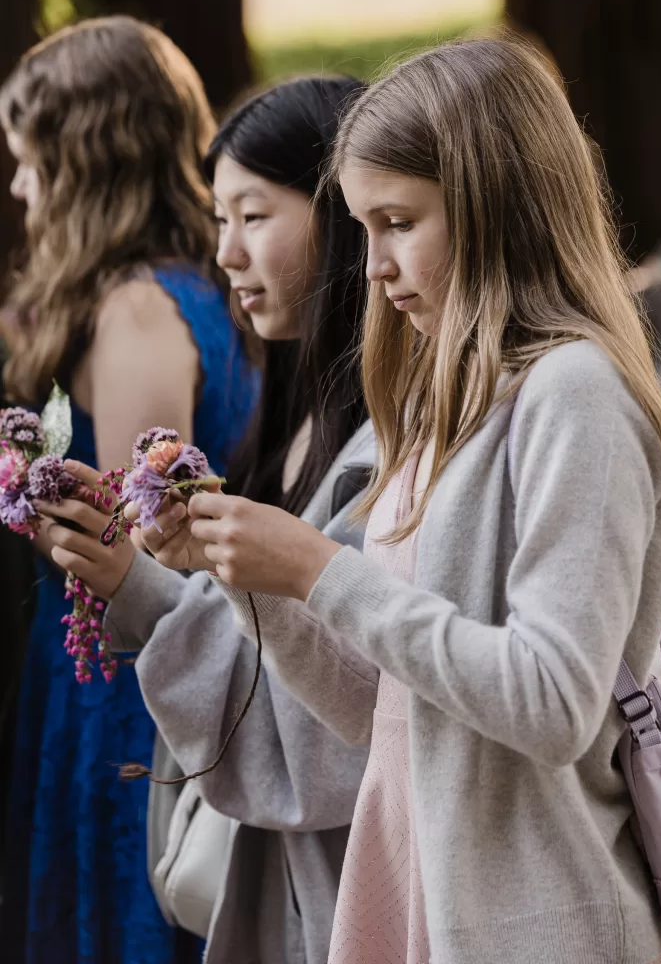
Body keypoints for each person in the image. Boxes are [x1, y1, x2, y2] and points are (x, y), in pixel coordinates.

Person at [182, 39, 661, 964]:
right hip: (420, 900)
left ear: (498, 207)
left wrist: (323, 571)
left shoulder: (574, 394)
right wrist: (265, 584)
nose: (369, 266)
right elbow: (386, 714)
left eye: (398, 222)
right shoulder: (438, 397)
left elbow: (551, 700)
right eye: (361, 228)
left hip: (542, 918)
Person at [43, 75, 373, 964]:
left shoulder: (387, 444)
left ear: (348, 215)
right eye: (217, 218)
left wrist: (148, 584)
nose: (225, 253)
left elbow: (333, 713)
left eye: (253, 216)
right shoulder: (300, 405)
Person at [0, 16, 256, 964]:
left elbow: (132, 543)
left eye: (30, 162)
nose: (20, 186)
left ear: (85, 159)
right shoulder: (181, 285)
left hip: (122, 675)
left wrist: (23, 493)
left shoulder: (138, 310)